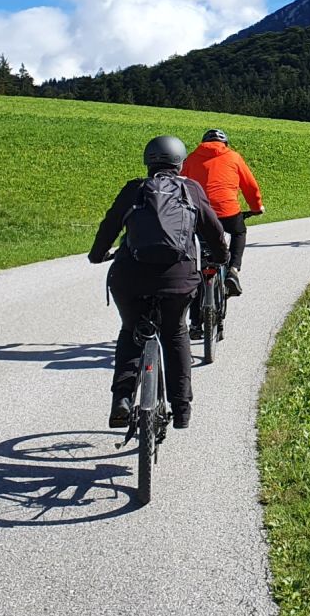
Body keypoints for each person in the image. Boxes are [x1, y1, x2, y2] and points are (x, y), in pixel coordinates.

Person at [89, 135, 227, 432]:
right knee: (176, 334)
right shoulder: (190, 189)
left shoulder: (134, 190)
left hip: (131, 279)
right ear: (180, 162)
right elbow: (213, 230)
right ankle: (181, 410)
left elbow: (109, 225)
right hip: (178, 280)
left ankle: (122, 401)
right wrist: (222, 256)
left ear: (148, 161)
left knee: (131, 332)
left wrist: (96, 255)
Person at [181, 128, 264, 329]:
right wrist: (256, 207)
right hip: (227, 211)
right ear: (225, 143)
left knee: (198, 262)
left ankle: (194, 323)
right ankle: (233, 270)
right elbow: (250, 186)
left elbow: (180, 183)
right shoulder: (233, 157)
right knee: (238, 232)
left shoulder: (192, 158)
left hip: (199, 213)